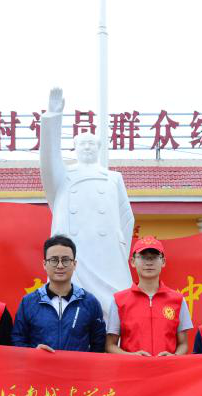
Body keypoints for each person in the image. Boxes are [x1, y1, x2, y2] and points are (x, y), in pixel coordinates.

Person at [40, 87, 134, 309]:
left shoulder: (113, 178)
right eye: (83, 144)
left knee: (116, 307)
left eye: (92, 144)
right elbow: (48, 159)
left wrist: (119, 247)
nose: (87, 148)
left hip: (108, 255)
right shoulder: (63, 176)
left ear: (99, 148)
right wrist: (53, 116)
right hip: (75, 253)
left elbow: (126, 218)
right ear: (75, 148)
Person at [12, 234, 106, 352]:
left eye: (66, 260)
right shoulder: (28, 302)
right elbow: (17, 340)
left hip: (77, 365)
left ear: (74, 264)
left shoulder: (90, 302)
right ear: (44, 264)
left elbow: (99, 344)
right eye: (54, 260)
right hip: (39, 364)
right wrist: (34, 352)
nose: (60, 266)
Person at [106, 236, 191, 356]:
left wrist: (174, 356)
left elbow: (183, 344)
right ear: (133, 262)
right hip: (131, 367)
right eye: (143, 257)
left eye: (154, 257)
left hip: (167, 367)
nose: (149, 262)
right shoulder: (119, 300)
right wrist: (131, 356)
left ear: (163, 261)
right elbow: (110, 345)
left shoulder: (178, 300)